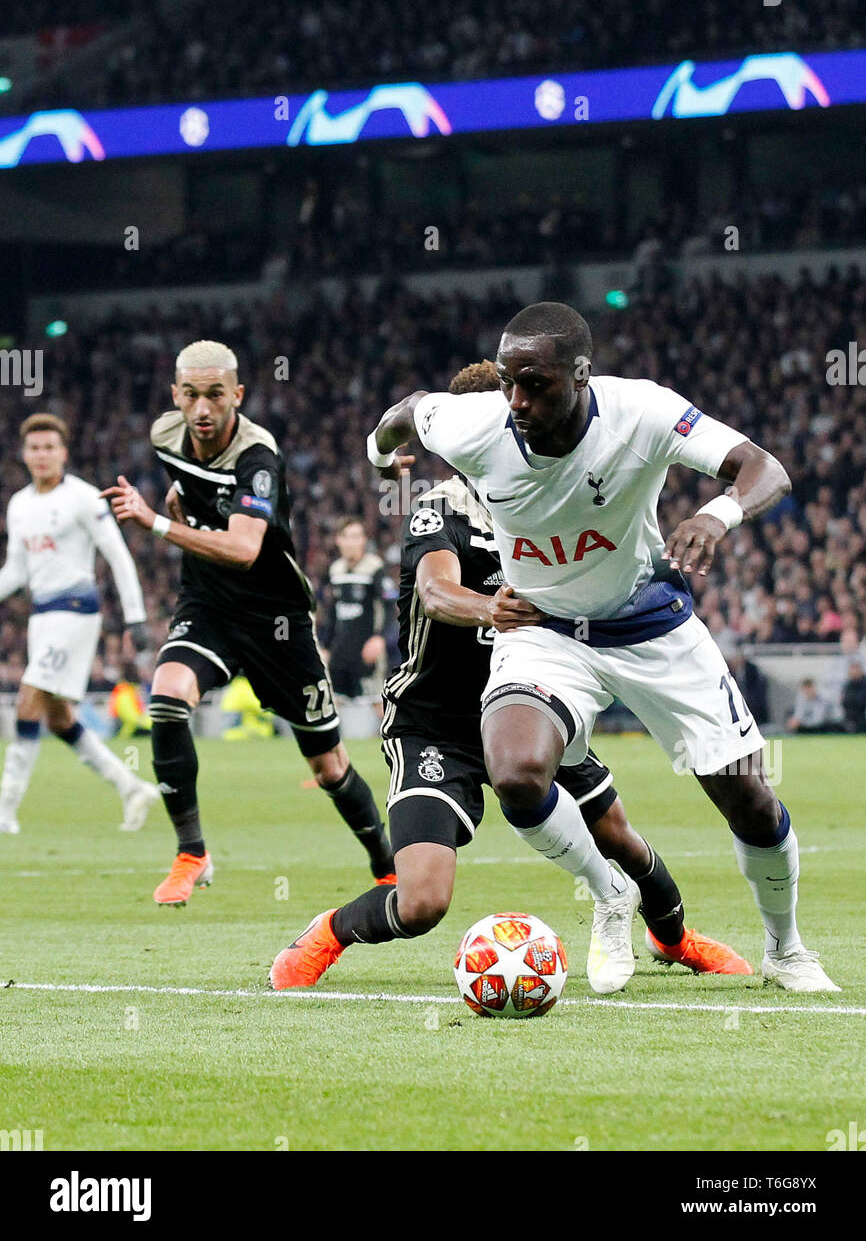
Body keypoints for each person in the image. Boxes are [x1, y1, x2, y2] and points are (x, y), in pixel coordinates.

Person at [361, 303, 839, 993]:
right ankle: (609, 893)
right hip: (548, 632)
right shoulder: (475, 422)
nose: (518, 401)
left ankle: (786, 948)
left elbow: (762, 469)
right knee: (517, 770)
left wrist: (715, 513)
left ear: (581, 375)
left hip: (652, 626)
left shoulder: (642, 413)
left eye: (536, 384)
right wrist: (382, 459)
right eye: (507, 382)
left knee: (750, 801)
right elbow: (405, 411)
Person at [270, 362, 751, 993]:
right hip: (437, 724)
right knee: (421, 903)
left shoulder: (555, 496)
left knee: (622, 841)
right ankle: (329, 931)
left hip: (532, 705)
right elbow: (436, 590)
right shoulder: (439, 508)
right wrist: (486, 607)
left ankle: (673, 939)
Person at [100, 340, 394, 905]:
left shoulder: (258, 456)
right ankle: (192, 854)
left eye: (215, 395)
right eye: (191, 395)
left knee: (329, 766)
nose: (203, 409)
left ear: (237, 394)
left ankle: (386, 865)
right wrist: (180, 503)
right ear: (175, 397)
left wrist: (157, 524)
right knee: (165, 698)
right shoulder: (166, 435)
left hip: (276, 618)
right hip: (207, 606)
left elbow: (242, 548)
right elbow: (187, 486)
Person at [0, 413, 158, 834]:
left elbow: (118, 555)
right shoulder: (20, 504)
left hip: (75, 612)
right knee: (58, 718)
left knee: (27, 700)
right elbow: (16, 572)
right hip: (42, 617)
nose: (42, 455)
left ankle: (5, 807)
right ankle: (130, 786)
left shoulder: (84, 498)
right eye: (34, 448)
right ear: (25, 453)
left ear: (63, 452)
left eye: (50, 447)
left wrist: (136, 616)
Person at [318, 516, 395, 710]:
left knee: (378, 701)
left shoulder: (375, 567)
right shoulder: (335, 570)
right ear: (338, 540)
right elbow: (332, 612)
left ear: (363, 540)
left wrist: (379, 638)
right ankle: (332, 741)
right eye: (347, 537)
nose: (351, 542)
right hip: (341, 647)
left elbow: (388, 606)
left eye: (356, 536)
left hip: (367, 646)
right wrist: (326, 645)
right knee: (333, 703)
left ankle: (392, 739)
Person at [841, 663, 866, 734]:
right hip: (850, 716)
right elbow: (844, 701)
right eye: (852, 670)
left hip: (862, 716)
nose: (854, 672)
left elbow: (861, 700)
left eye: (856, 670)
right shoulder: (847, 684)